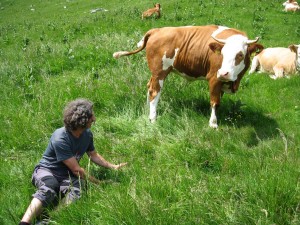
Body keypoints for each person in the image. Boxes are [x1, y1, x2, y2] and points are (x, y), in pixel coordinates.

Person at [19, 98, 127, 225]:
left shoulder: (87, 134)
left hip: (67, 175)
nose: (94, 119)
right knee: (50, 186)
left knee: (79, 189)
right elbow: (77, 171)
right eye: (91, 115)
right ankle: (25, 222)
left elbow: (93, 155)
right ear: (83, 120)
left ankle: (48, 220)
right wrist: (99, 183)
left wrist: (113, 167)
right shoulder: (60, 138)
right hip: (47, 171)